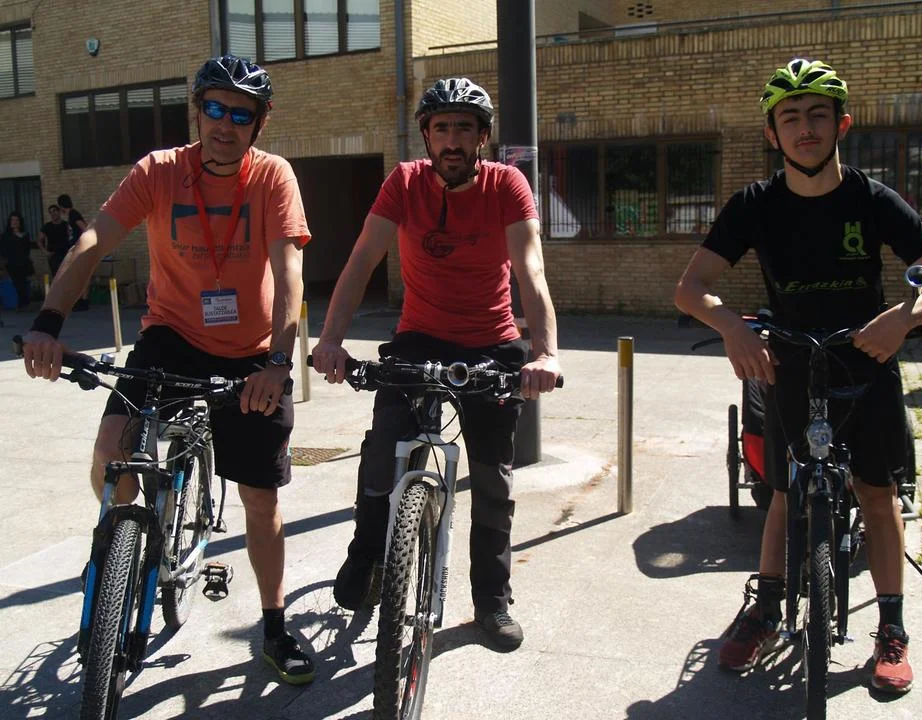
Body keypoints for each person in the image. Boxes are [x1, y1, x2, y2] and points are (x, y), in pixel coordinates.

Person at [20, 55, 316, 685]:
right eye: (215, 108)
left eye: (241, 115)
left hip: (250, 353)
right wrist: (48, 322)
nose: (225, 125)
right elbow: (94, 241)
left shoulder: (272, 177)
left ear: (259, 124)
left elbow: (288, 270)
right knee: (111, 454)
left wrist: (277, 362)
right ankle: (118, 551)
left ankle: (273, 625)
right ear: (197, 111)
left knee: (259, 498)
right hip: (170, 337)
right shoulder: (158, 171)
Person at [675, 58, 922, 695]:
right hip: (790, 363)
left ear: (842, 124)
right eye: (790, 118)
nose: (805, 128)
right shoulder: (755, 205)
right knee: (783, 491)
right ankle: (766, 609)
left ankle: (891, 628)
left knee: (878, 493)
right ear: (772, 134)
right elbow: (690, 288)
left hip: (868, 362)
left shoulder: (873, 200)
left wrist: (903, 319)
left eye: (817, 115)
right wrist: (733, 327)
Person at [311, 77, 562, 651]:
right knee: (385, 449)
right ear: (427, 136)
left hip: (491, 342)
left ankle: (491, 600)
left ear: (482, 138)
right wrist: (331, 341)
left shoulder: (507, 185)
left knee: (493, 479)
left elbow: (531, 271)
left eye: (464, 129)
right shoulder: (404, 182)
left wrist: (545, 353)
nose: (453, 140)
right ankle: (367, 554)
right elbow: (361, 261)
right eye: (442, 128)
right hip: (419, 337)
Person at [57, 194, 90, 310]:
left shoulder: (73, 214)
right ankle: (81, 299)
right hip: (77, 248)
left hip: (80, 248)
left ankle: (83, 300)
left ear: (61, 206)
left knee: (81, 275)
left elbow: (84, 228)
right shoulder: (71, 215)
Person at [1, 211, 35, 309]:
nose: (14, 222)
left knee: (23, 282)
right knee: (17, 282)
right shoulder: (5, 235)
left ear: (20, 222)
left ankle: (24, 303)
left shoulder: (25, 235)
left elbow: (27, 249)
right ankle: (22, 303)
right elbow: (3, 249)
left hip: (23, 262)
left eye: (16, 220)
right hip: (11, 263)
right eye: (12, 220)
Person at [39, 204, 72, 278]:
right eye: (50, 212)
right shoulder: (47, 226)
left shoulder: (66, 225)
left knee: (67, 276)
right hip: (53, 256)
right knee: (56, 277)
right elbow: (39, 241)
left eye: (54, 211)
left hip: (65, 255)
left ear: (59, 212)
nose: (53, 213)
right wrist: (45, 252)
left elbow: (72, 238)